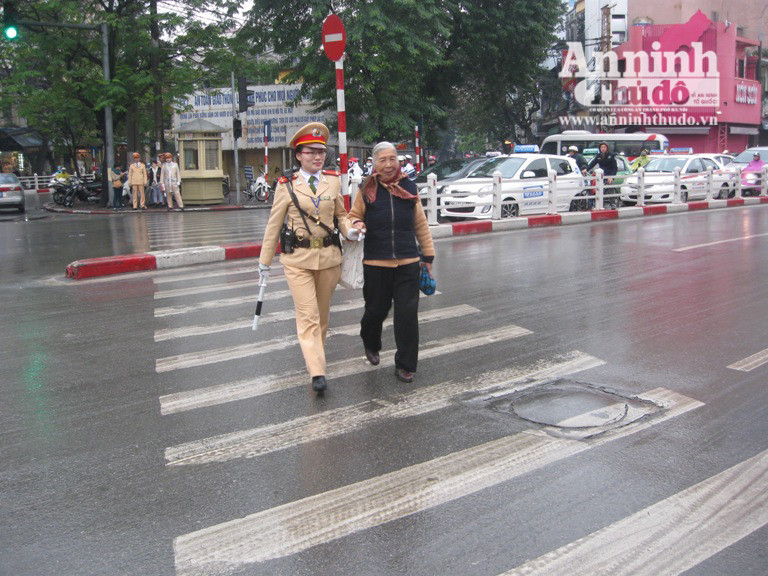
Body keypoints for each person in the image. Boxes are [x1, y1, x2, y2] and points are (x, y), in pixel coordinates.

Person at [257, 122, 353, 394]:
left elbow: (341, 215)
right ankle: (317, 372)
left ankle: (314, 358)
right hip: (298, 260)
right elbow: (274, 225)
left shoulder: (332, 180)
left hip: (329, 259)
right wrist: (264, 262)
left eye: (321, 152)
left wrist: (350, 231)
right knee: (308, 316)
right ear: (298, 155)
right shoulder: (286, 186)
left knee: (322, 318)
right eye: (310, 152)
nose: (317, 157)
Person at [348, 141, 436, 384]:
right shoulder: (367, 188)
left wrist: (427, 256)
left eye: (392, 159)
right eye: (382, 160)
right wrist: (357, 224)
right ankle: (371, 341)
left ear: (399, 161)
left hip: (408, 262)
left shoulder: (409, 186)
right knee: (375, 312)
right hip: (376, 263)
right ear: (374, 164)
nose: (388, 165)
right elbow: (354, 215)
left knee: (407, 315)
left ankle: (406, 365)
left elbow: (420, 224)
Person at [585, 142, 619, 208]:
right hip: (601, 175)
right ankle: (595, 204)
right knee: (594, 187)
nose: (602, 149)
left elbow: (615, 168)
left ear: (607, 148)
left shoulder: (611, 156)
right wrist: (586, 169)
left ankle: (613, 203)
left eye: (604, 147)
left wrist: (611, 177)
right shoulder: (598, 156)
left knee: (610, 187)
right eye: (601, 147)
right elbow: (593, 163)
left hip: (609, 175)